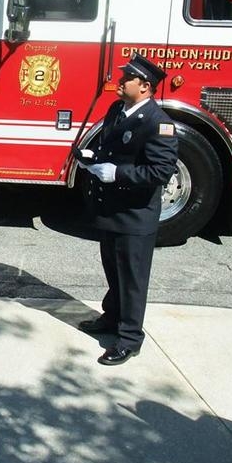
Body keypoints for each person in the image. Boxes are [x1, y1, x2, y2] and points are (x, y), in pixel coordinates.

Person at [76, 53, 178, 365]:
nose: (119, 82)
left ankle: (130, 339)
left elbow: (160, 172)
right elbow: (111, 148)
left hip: (135, 215)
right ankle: (111, 318)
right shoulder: (117, 109)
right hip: (110, 209)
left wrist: (117, 173)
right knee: (113, 271)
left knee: (132, 279)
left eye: (126, 79)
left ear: (145, 87)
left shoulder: (159, 124)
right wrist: (93, 157)